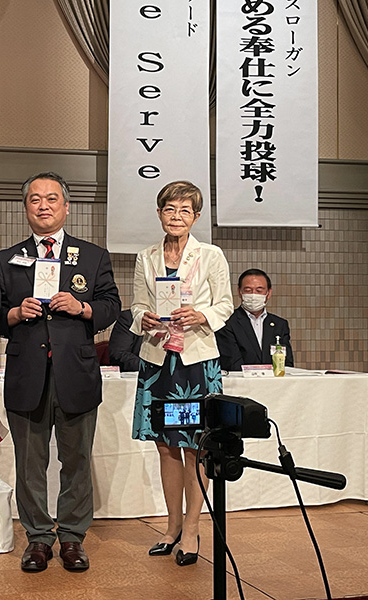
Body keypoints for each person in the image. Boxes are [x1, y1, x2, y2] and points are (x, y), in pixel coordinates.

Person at [0, 172, 121, 572]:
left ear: (66, 206)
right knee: (30, 464)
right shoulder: (5, 259)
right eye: (34, 199)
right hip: (27, 373)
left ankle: (73, 537)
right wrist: (14, 312)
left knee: (76, 461)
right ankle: (39, 538)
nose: (43, 206)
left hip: (75, 373)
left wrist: (83, 308)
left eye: (51, 199)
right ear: (25, 208)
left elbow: (112, 305)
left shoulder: (93, 255)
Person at [130, 180, 233, 566]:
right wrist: (144, 318)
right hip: (159, 361)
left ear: (196, 217)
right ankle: (171, 527)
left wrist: (201, 315)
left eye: (185, 211)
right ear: (159, 213)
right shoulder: (146, 257)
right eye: (170, 209)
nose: (176, 216)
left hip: (195, 362)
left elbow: (225, 305)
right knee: (165, 445)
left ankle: (192, 528)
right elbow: (137, 305)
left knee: (195, 446)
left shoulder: (211, 255)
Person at [216, 269, 294, 370]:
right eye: (248, 290)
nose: (253, 295)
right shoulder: (227, 322)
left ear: (268, 293)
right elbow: (231, 362)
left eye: (259, 291)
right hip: (240, 378)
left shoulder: (280, 324)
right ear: (239, 292)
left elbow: (287, 363)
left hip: (275, 379)